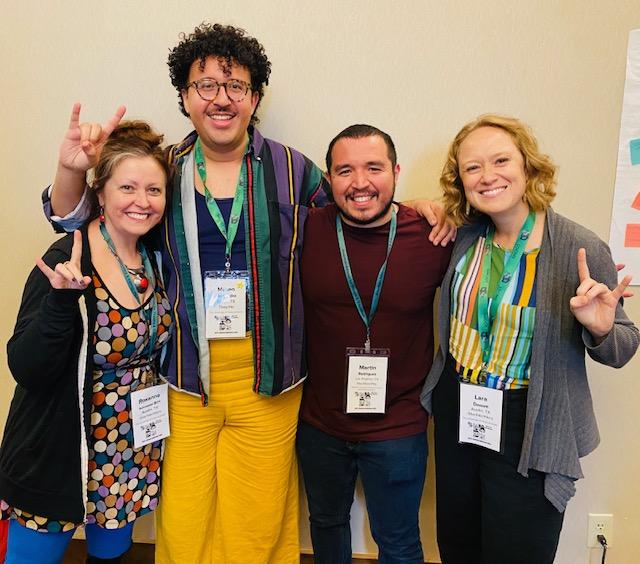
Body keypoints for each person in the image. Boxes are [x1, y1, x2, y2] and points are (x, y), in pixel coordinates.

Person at [42, 23, 453, 564]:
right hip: (183, 377)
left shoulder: (294, 169)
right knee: (185, 519)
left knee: (256, 524)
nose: (221, 98)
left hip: (272, 379)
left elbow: (361, 207)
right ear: (185, 97)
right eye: (205, 85)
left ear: (254, 97)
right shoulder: (162, 169)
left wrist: (424, 208)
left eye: (235, 85)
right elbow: (77, 219)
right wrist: (72, 170)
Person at [420, 114, 639, 564]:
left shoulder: (578, 246)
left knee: (517, 551)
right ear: (460, 181)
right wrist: (422, 204)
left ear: (527, 166)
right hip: (460, 406)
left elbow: (623, 345)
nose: (488, 176)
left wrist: (599, 326)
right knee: (458, 543)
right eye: (472, 167)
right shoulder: (464, 235)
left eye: (500, 160)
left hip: (530, 421)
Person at [0, 120, 173, 563]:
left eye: (154, 190)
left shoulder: (154, 255)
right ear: (100, 194)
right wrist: (61, 301)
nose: (141, 201)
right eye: (128, 187)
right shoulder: (67, 259)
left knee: (112, 556)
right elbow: (26, 366)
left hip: (129, 448)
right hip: (60, 450)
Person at [297, 125, 451, 563]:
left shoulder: (432, 234)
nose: (360, 182)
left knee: (399, 541)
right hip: (320, 424)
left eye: (374, 168)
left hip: (398, 426)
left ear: (396, 172)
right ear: (328, 180)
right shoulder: (306, 231)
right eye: (345, 170)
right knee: (325, 527)